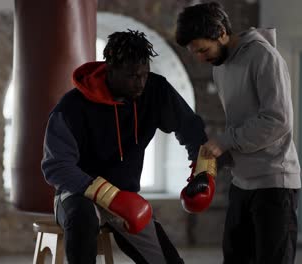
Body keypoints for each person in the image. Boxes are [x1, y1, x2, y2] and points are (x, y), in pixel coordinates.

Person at [41, 29, 207, 264]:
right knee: (82, 217)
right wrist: (107, 195)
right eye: (131, 76)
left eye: (144, 74)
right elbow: (56, 167)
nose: (140, 83)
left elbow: (191, 129)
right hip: (78, 193)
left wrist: (202, 170)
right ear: (110, 69)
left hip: (126, 198)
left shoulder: (155, 90)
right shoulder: (71, 107)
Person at [176, 2, 301, 264]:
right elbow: (242, 124)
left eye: (203, 49)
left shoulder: (264, 56)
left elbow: (277, 120)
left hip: (274, 184)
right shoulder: (220, 67)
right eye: (195, 53)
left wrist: (224, 141)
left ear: (221, 32)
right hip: (241, 183)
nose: (200, 57)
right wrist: (217, 160)